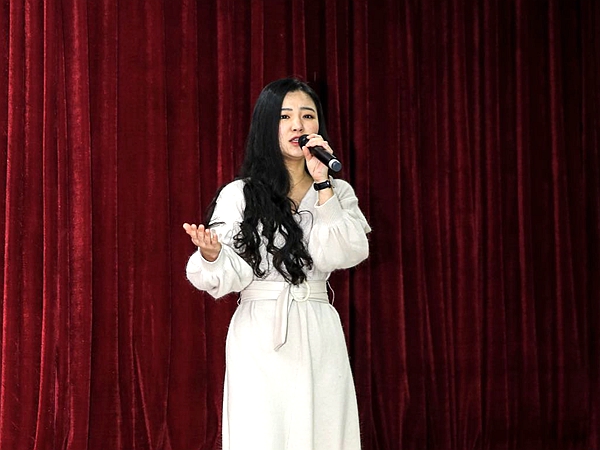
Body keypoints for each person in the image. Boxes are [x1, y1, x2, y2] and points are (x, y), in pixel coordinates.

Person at [183, 77, 371, 450]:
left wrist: (323, 186)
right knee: (262, 433)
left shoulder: (338, 191)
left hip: (318, 326)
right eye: (285, 116)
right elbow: (230, 272)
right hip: (261, 331)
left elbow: (343, 253)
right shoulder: (240, 194)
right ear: (268, 125)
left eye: (307, 115)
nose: (298, 125)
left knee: (324, 430)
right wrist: (212, 254)